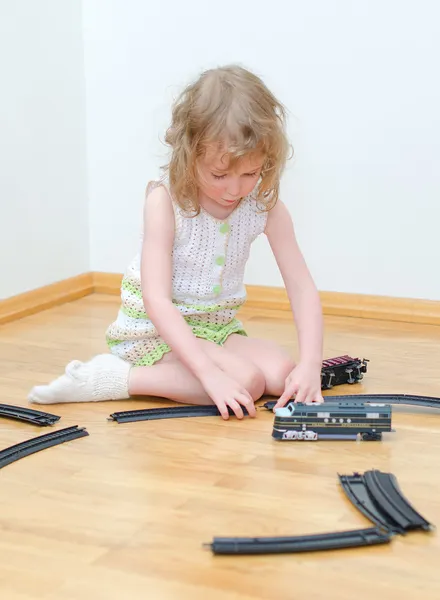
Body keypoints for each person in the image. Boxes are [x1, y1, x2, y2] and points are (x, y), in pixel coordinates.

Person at [28, 65, 324, 419]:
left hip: (214, 327)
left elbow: (302, 287)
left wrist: (311, 365)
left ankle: (210, 366)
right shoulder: (165, 202)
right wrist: (211, 376)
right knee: (249, 382)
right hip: (155, 330)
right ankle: (116, 378)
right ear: (189, 153)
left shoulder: (264, 208)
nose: (235, 188)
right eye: (219, 174)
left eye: (250, 173)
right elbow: (156, 300)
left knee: (282, 372)